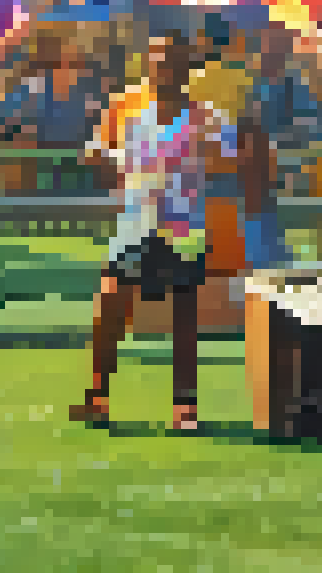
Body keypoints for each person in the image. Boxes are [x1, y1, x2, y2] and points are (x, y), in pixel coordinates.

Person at [71, 31, 214, 430]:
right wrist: (107, 158)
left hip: (184, 224)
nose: (164, 65)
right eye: (158, 56)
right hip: (134, 223)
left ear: (188, 66)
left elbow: (223, 159)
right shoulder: (122, 105)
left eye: (173, 58)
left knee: (184, 313)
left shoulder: (203, 112)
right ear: (148, 61)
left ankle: (186, 408)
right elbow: (95, 151)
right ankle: (97, 397)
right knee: (111, 302)